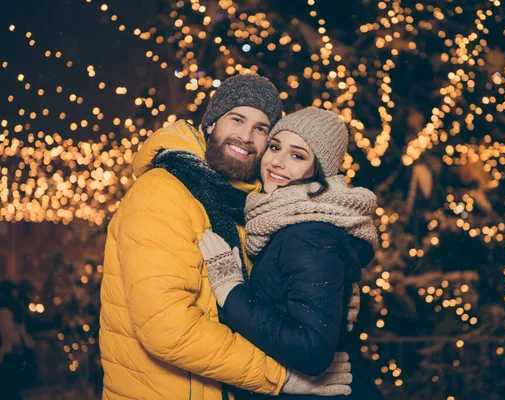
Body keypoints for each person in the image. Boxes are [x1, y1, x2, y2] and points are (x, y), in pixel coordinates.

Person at [100, 74, 357, 399]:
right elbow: (166, 327)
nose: (246, 136)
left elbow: (265, 294)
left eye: (262, 129)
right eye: (237, 119)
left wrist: (327, 296)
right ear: (210, 124)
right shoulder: (162, 192)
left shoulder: (250, 205)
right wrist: (277, 376)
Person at [199, 107, 385, 399]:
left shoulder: (307, 233)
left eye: (297, 155)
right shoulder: (281, 221)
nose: (277, 162)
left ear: (318, 170)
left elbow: (312, 351)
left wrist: (232, 291)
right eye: (275, 147)